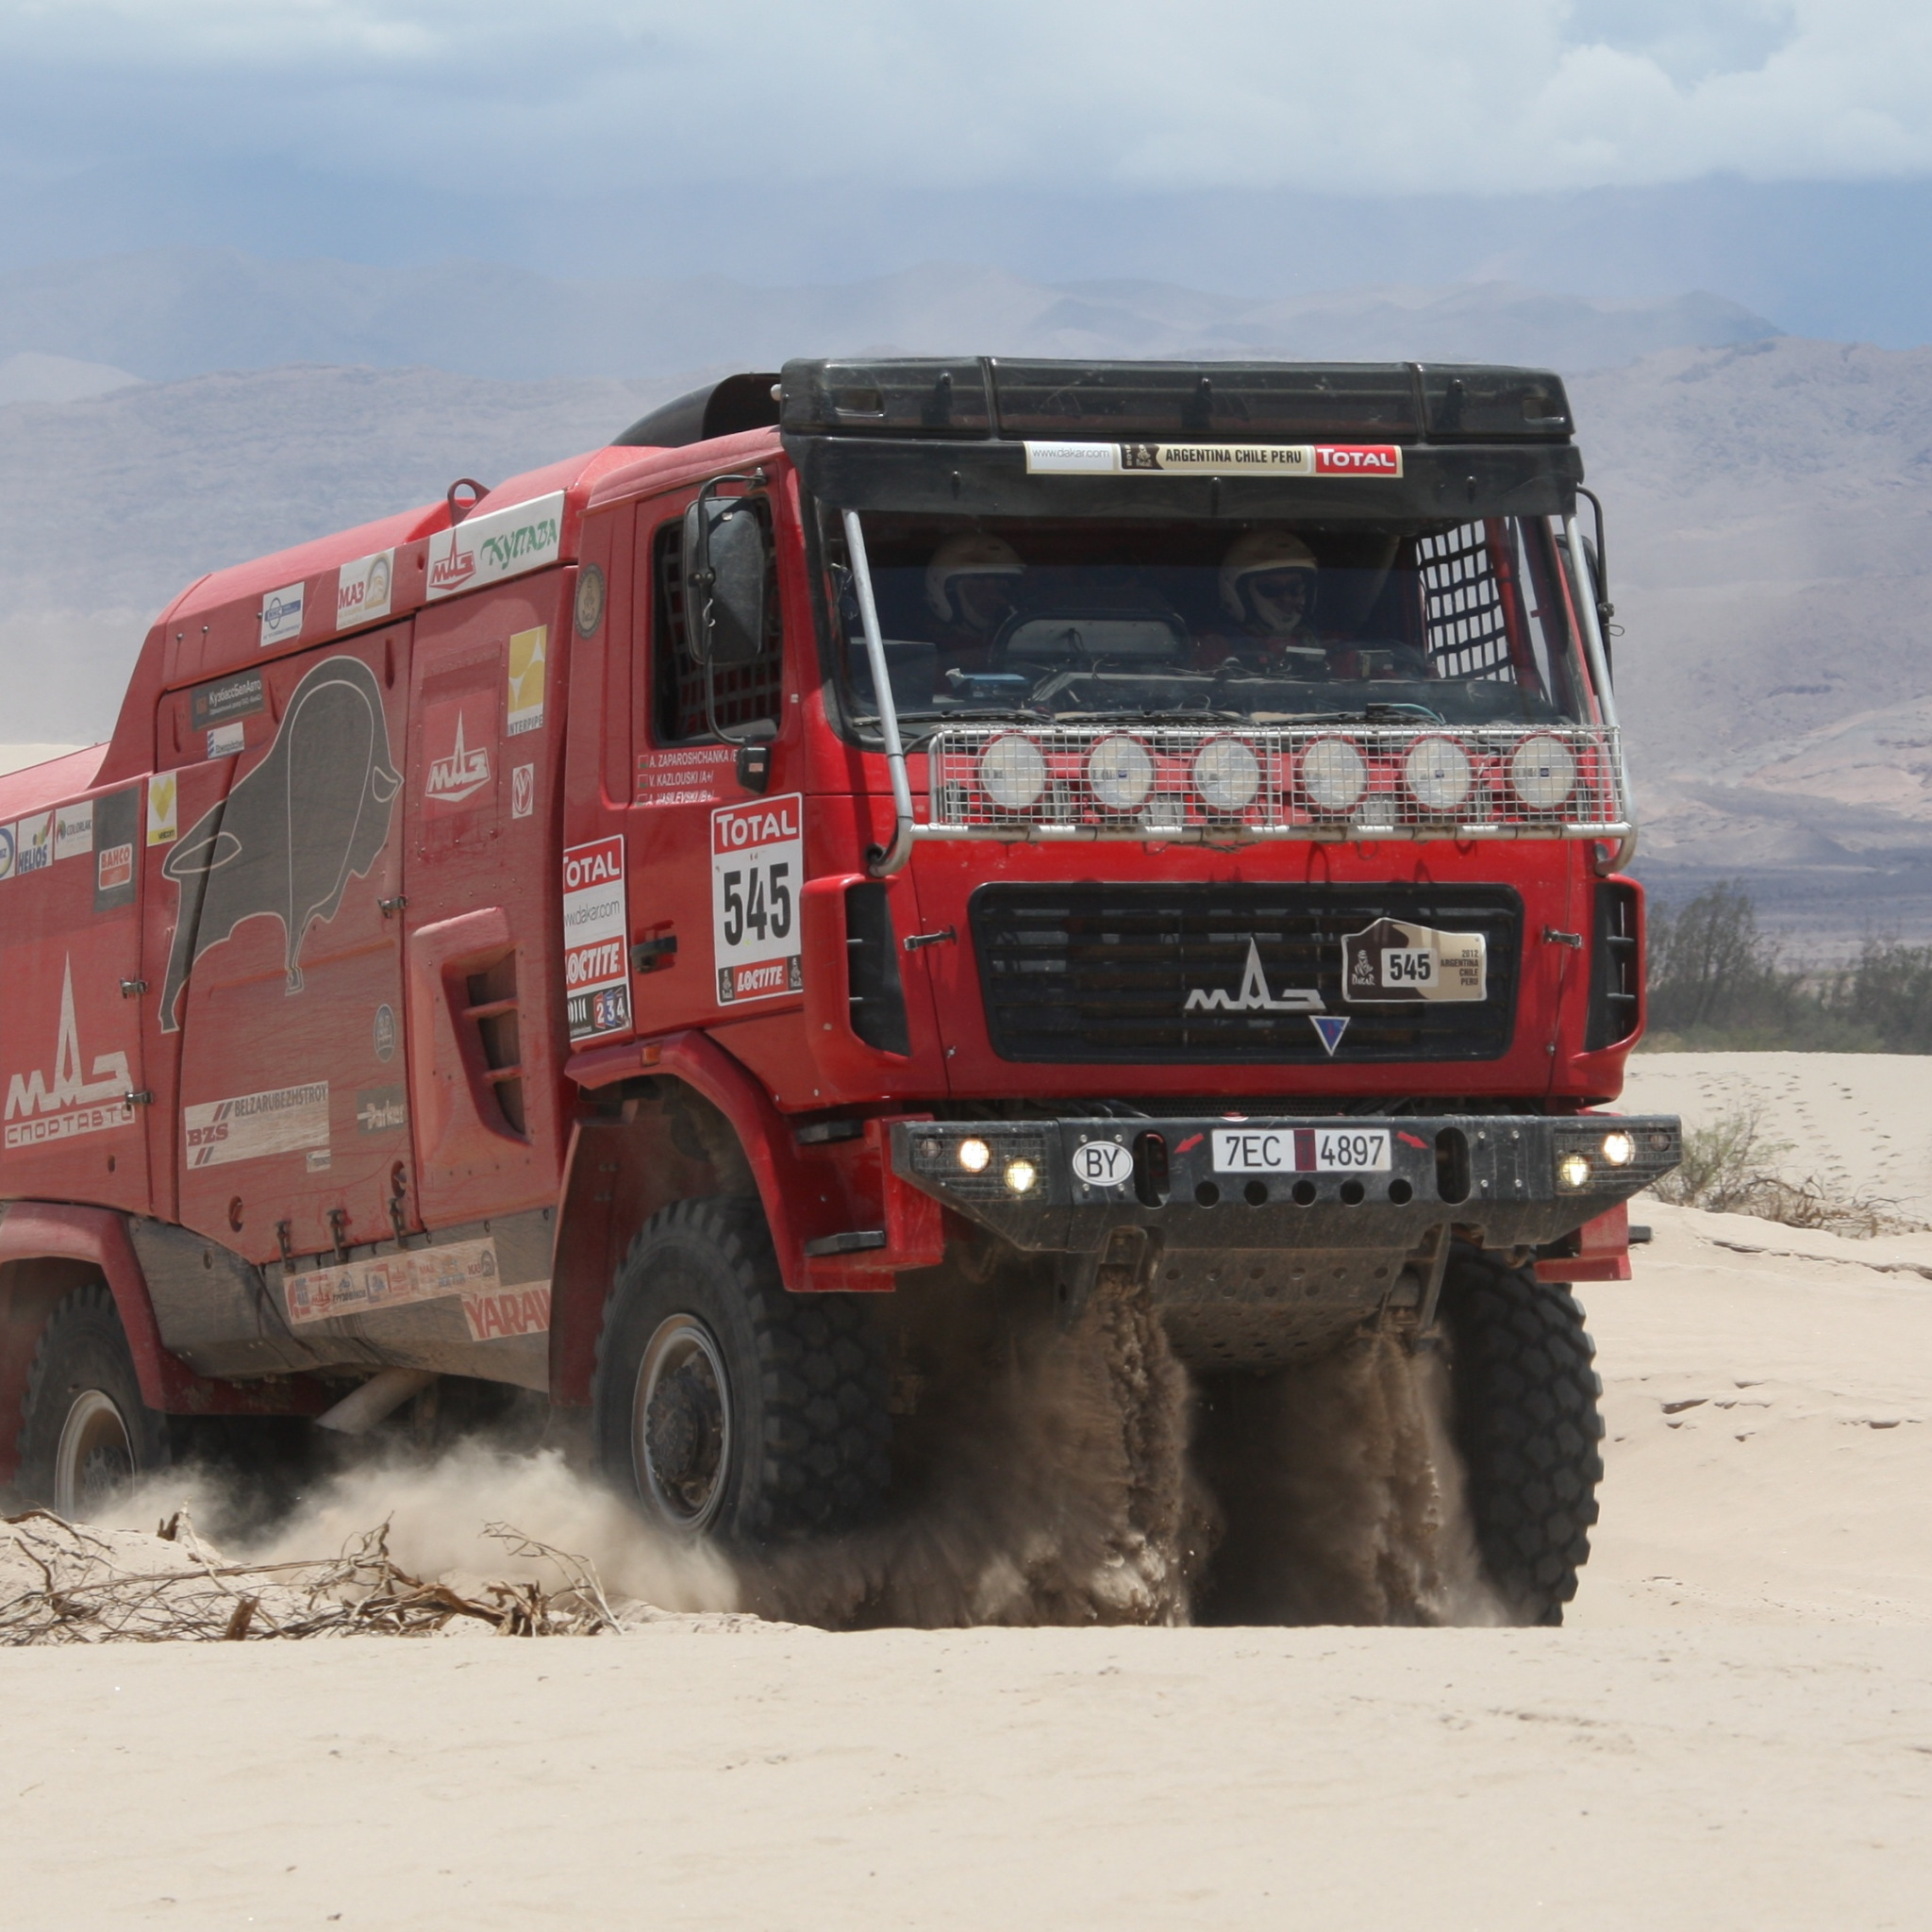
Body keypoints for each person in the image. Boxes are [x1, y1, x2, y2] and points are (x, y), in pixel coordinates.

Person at [924, 533, 1025, 653]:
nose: (994, 597)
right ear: (945, 594)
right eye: (979, 589)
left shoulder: (1020, 645)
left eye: (1001, 589)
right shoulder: (922, 653)